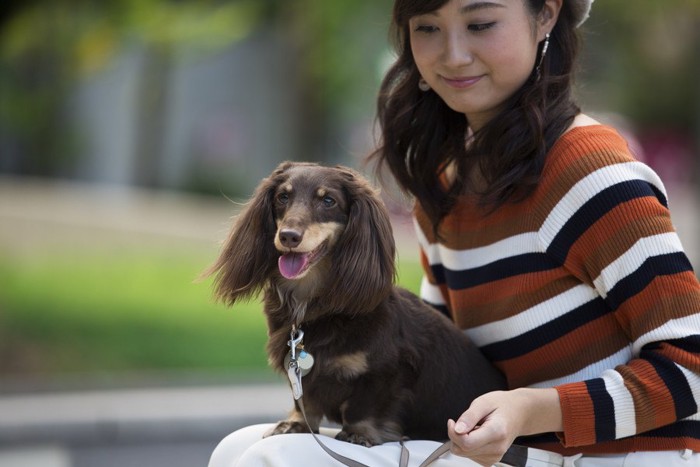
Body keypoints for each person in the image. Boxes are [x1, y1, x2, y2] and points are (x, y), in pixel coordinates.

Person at [209, 1, 700, 466]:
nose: (453, 54)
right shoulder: (445, 185)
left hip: (620, 456)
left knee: (271, 460)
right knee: (241, 447)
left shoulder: (592, 174)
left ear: (546, 13)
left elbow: (691, 367)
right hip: (508, 453)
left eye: (480, 24)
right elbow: (429, 359)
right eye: (427, 28)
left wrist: (532, 409)